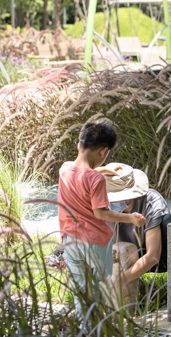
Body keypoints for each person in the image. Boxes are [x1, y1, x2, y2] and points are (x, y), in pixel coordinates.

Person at [57, 120, 146, 323]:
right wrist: (130, 218)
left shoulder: (64, 169)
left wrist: (103, 168)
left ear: (79, 145)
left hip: (71, 241)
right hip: (95, 243)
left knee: (81, 291)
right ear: (103, 151)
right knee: (98, 289)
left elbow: (80, 172)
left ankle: (83, 334)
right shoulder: (96, 180)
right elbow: (101, 214)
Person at [96, 162, 171, 288]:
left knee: (169, 222)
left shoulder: (151, 200)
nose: (113, 201)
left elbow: (152, 256)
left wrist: (118, 282)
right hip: (116, 255)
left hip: (152, 257)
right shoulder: (101, 204)